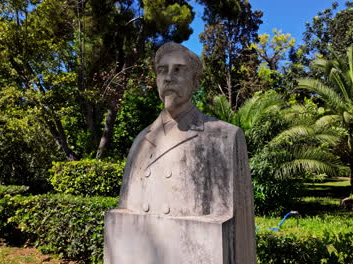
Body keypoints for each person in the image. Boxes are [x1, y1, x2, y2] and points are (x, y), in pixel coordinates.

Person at [105, 42, 255, 264]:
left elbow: (239, 232)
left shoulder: (224, 137)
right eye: (162, 70)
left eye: (179, 70)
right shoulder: (140, 141)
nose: (168, 77)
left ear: (195, 81)